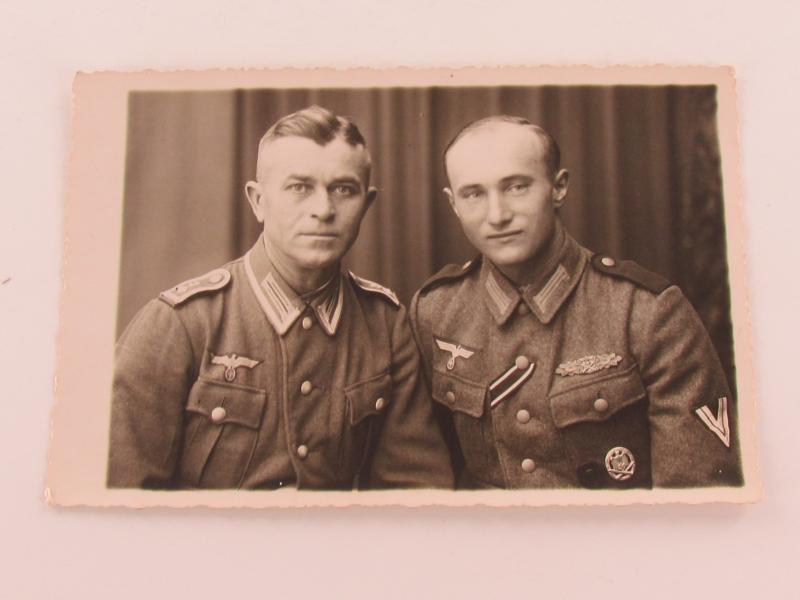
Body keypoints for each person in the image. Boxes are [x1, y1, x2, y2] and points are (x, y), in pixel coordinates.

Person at [108, 105, 453, 490]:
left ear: (366, 205)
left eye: (344, 190)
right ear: (258, 201)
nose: (323, 210)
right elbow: (122, 497)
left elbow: (415, 489)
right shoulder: (181, 323)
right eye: (299, 187)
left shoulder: (386, 324)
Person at [410, 115, 742, 489]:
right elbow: (425, 474)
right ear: (453, 204)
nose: (497, 215)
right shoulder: (435, 311)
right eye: (474, 194)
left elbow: (694, 495)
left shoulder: (647, 311)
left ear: (559, 187)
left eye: (517, 187)